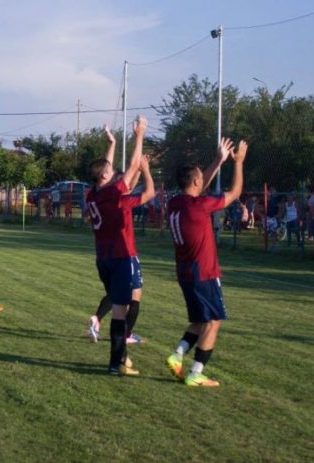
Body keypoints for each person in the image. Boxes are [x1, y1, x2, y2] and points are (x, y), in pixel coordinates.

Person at [165, 137, 247, 387]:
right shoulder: (199, 206)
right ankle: (196, 372)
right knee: (213, 321)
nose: (204, 180)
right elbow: (235, 193)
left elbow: (198, 186)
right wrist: (238, 162)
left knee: (200, 320)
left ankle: (177, 354)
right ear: (196, 182)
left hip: (185, 271)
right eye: (201, 177)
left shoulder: (174, 203)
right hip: (204, 272)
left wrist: (219, 160)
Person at [86, 119, 155, 376]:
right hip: (120, 257)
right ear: (105, 176)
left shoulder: (93, 194)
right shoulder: (112, 193)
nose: (113, 170)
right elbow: (134, 166)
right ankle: (116, 363)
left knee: (119, 306)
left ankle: (121, 359)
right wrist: (140, 135)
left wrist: (112, 143)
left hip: (103, 259)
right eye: (110, 169)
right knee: (119, 312)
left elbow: (110, 171)